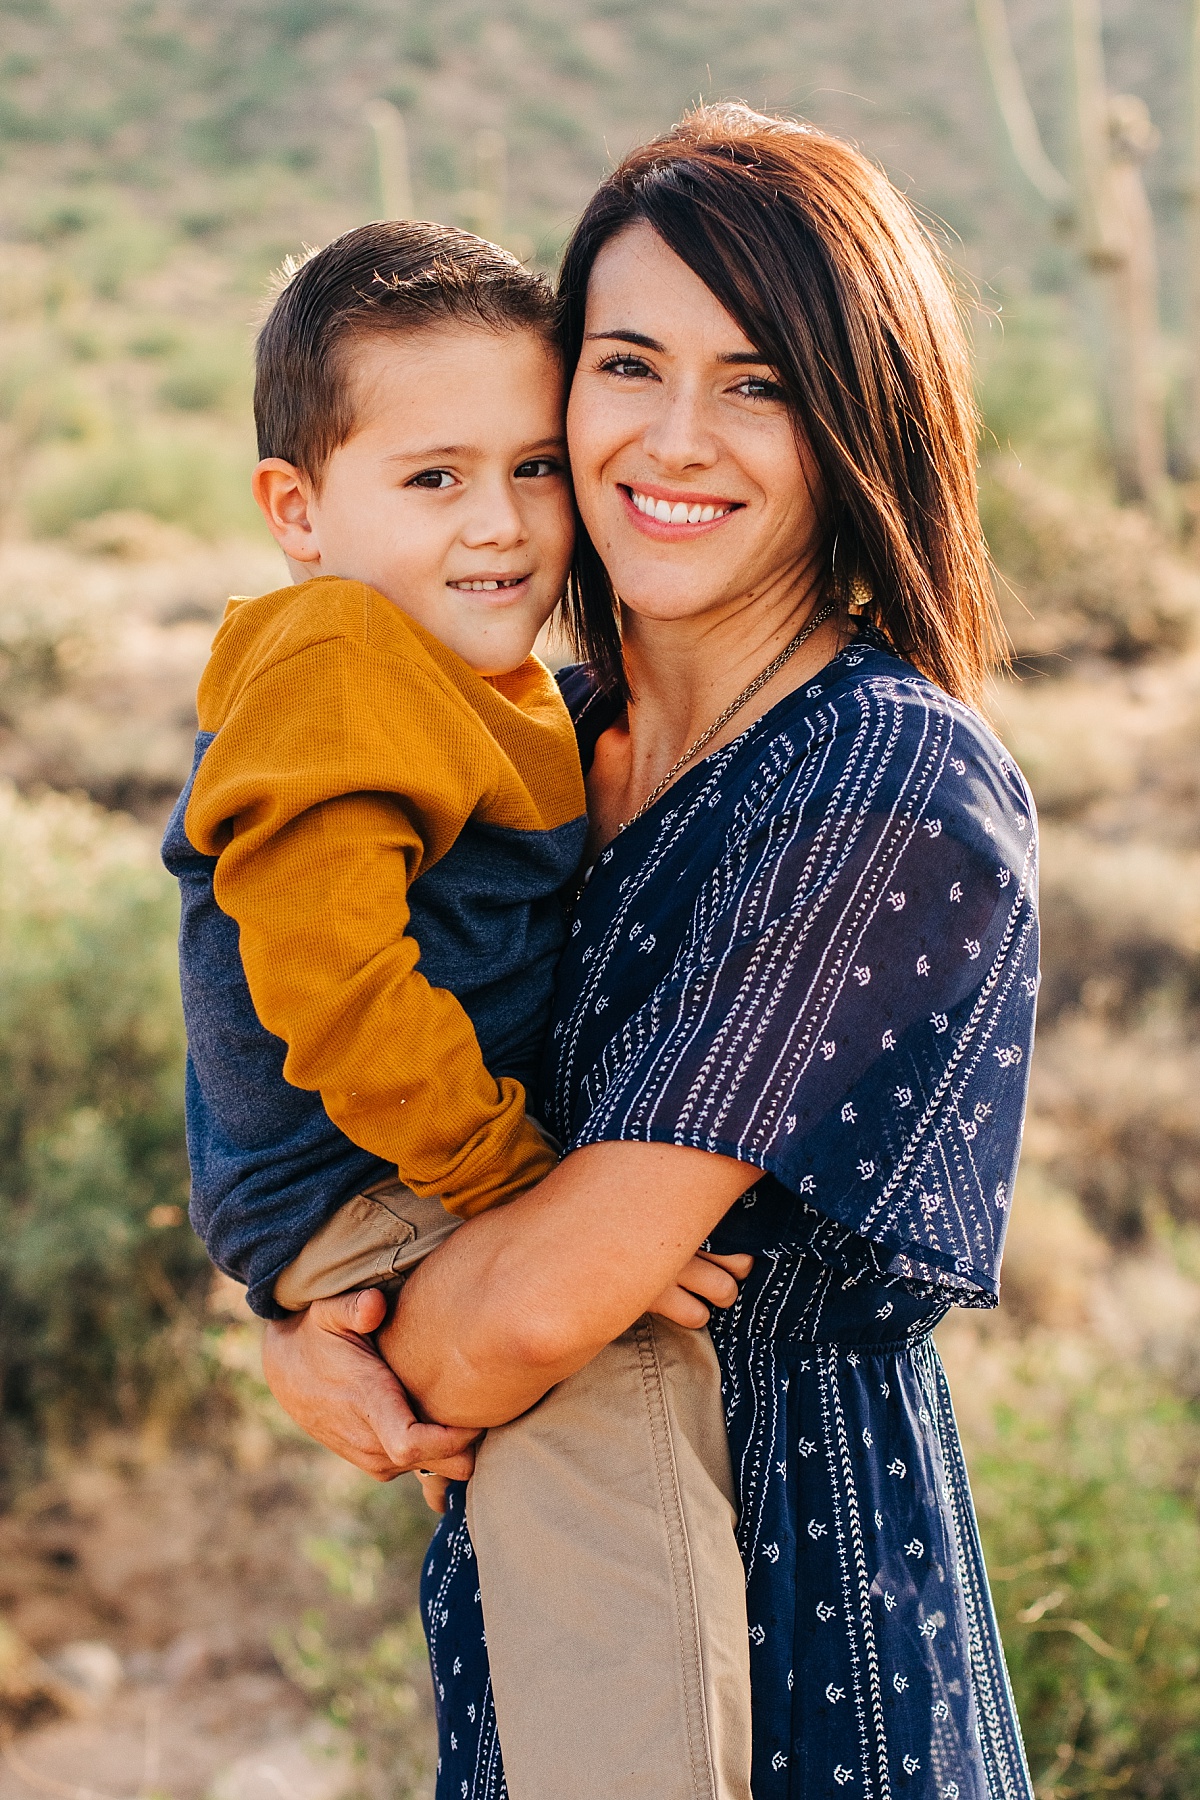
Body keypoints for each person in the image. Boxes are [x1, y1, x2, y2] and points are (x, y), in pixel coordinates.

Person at [265, 105, 1041, 1800]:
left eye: (757, 384)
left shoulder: (885, 785)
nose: (675, 438)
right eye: (628, 365)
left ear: (856, 426)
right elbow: (313, 1035)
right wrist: (284, 1307)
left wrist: (370, 1316)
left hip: (806, 1655)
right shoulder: (540, 741)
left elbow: (520, 1317)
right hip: (539, 1626)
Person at [162, 220, 756, 1800]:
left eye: (534, 468)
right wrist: (530, 1205)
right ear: (297, 510)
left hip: (391, 1182)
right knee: (620, 1480)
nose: (499, 526)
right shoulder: (338, 651)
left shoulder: (463, 676)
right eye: (432, 480)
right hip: (403, 1181)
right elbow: (336, 992)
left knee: (571, 1547)